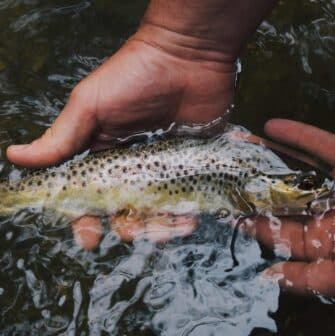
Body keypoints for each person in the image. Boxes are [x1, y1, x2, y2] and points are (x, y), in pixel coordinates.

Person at [5, 1, 335, 296]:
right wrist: (179, 45)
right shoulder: (246, 180)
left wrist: (180, 43)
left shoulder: (246, 178)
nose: (314, 191)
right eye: (305, 186)